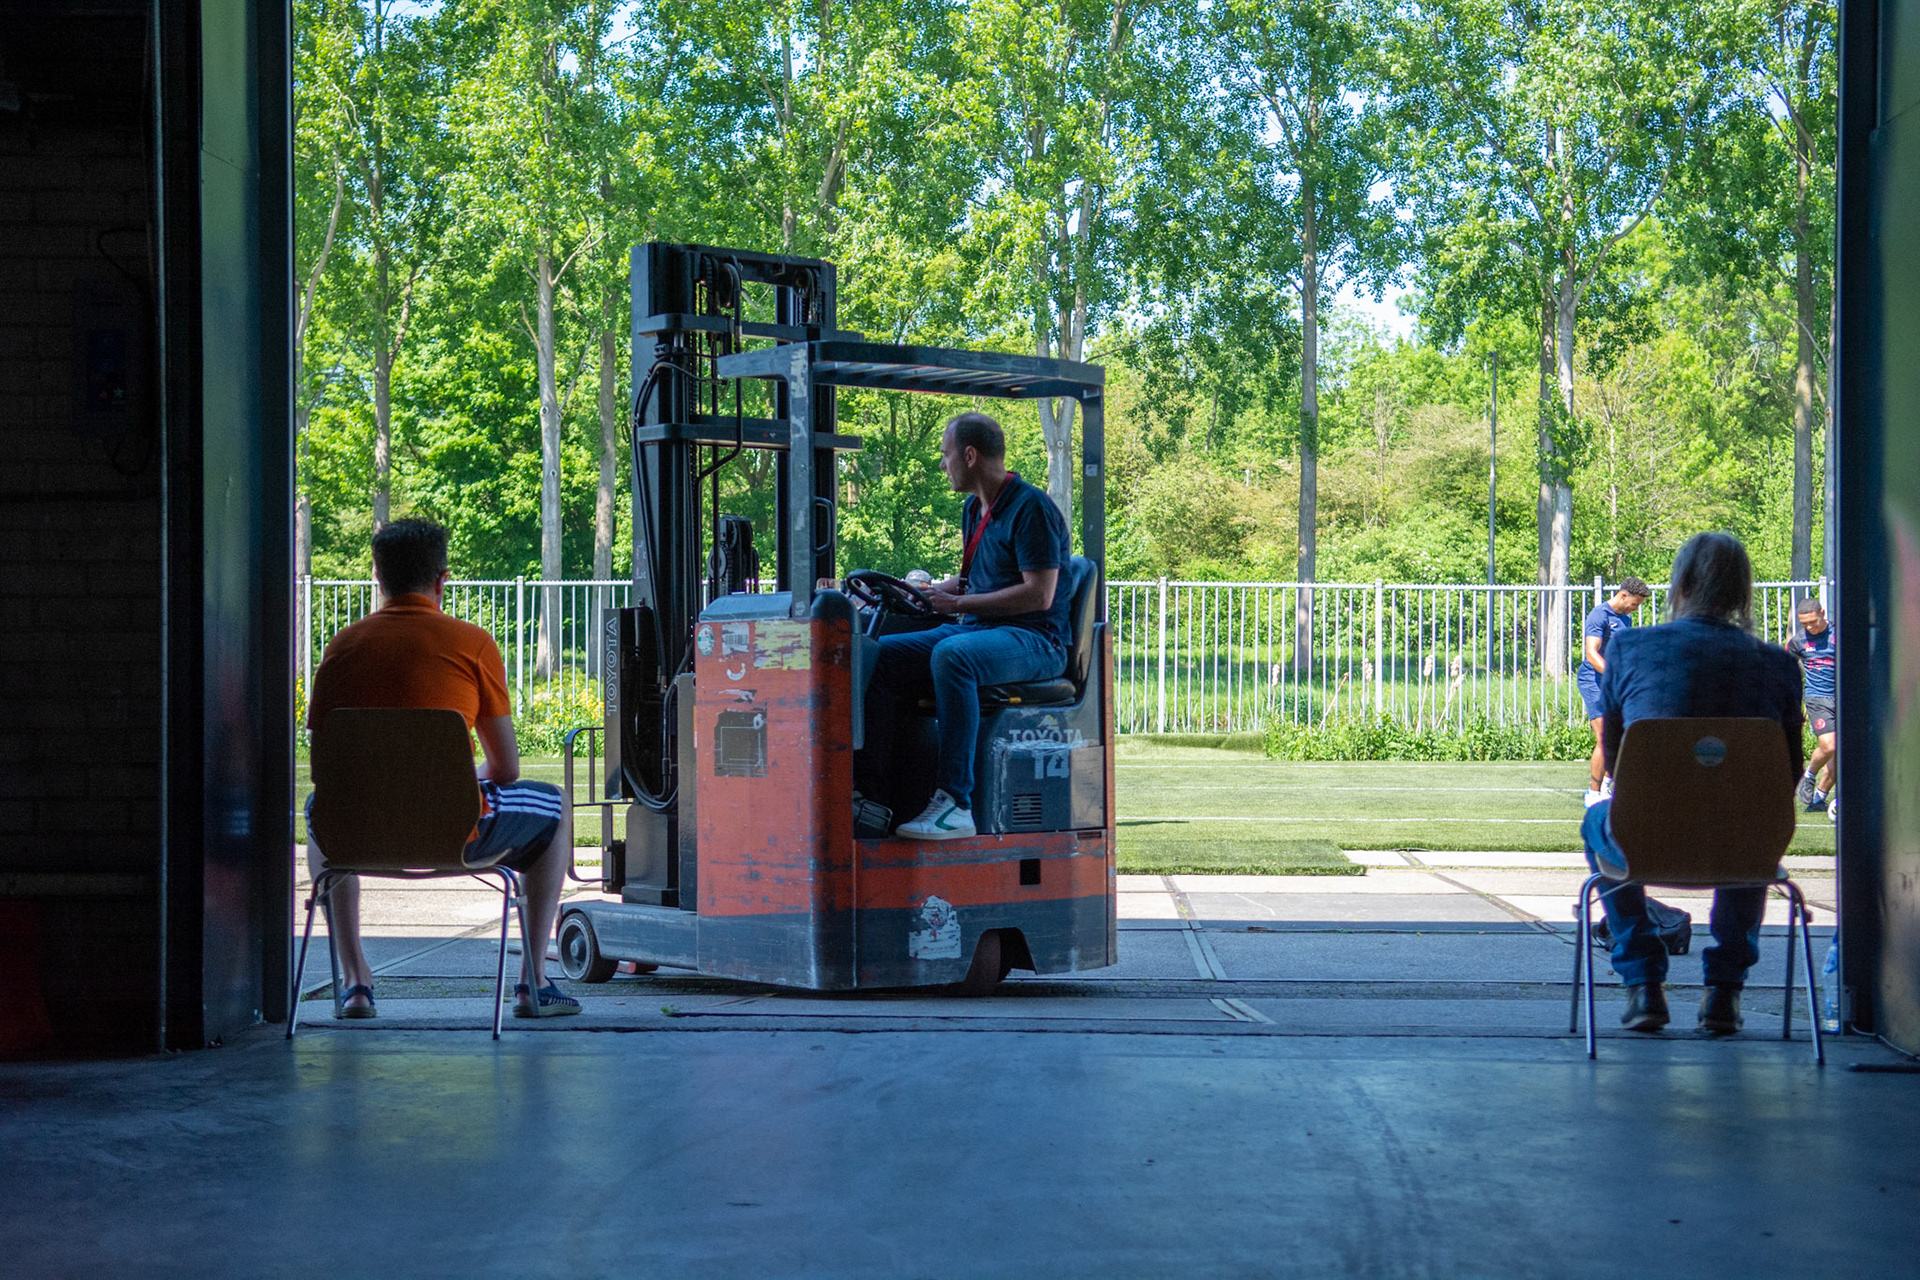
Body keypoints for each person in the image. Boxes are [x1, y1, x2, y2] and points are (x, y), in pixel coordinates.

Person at [305, 519, 579, 1019]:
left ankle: (355, 982)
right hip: (457, 833)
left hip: (356, 834)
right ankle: (534, 983)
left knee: (319, 808)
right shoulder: (471, 645)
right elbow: (506, 769)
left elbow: (327, 769)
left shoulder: (341, 648)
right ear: (441, 580)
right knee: (556, 803)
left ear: (377, 576)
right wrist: (447, 780)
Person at [1582, 532, 1803, 1036]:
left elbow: (1616, 760)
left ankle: (1643, 982)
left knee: (1598, 821)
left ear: (1680, 584)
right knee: (1753, 823)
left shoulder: (1631, 648)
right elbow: (1785, 774)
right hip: (1744, 847)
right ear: (1743, 593)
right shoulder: (1778, 665)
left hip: (1643, 838)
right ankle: (1725, 990)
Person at [860, 412, 1071, 839]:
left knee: (952, 656)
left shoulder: (1031, 508)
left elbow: (1039, 595)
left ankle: (955, 802)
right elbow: (974, 578)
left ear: (970, 455)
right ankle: (872, 798)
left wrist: (956, 603)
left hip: (1035, 640)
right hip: (981, 630)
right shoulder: (974, 509)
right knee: (879, 655)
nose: (943, 464)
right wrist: (923, 591)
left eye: (946, 454)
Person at [1577, 577, 1651, 807]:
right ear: (1623, 595)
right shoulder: (1599, 615)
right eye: (1635, 604)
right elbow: (1592, 654)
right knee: (1604, 736)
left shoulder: (1625, 617)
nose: (1635, 609)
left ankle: (1606, 786)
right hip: (1594, 680)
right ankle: (1593, 793)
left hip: (1613, 682)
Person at [1786, 596, 1838, 812]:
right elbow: (1787, 670)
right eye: (1804, 623)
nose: (1809, 627)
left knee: (1840, 755)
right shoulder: (1798, 642)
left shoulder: (1838, 635)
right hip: (1818, 698)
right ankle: (1809, 775)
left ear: (1822, 614)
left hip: (1842, 698)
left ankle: (1818, 800)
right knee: (1830, 745)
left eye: (1813, 622)